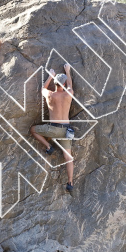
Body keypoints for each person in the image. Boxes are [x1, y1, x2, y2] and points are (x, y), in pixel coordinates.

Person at [29, 63, 75, 192]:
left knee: (33, 129)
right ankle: (70, 182)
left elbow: (43, 88)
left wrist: (50, 76)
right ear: (64, 85)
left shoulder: (49, 95)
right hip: (66, 131)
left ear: (54, 84)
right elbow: (70, 85)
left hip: (52, 130)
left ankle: (49, 147)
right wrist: (68, 72)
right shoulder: (68, 94)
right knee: (68, 157)